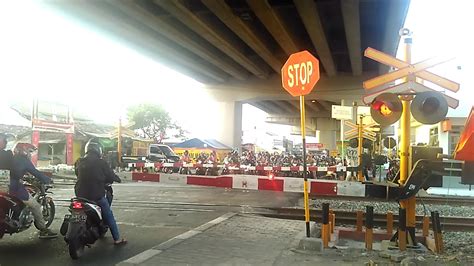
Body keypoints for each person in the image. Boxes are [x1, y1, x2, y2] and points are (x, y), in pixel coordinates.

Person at [74, 140, 126, 245]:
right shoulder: (101, 162)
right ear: (98, 150)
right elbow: (110, 175)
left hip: (80, 194)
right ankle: (117, 239)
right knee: (108, 214)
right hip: (96, 194)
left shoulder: (79, 161)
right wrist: (117, 179)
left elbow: (77, 174)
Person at [9, 142, 57, 239]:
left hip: (4, 187)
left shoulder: (10, 159)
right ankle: (43, 230)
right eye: (29, 151)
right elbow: (36, 172)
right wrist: (47, 180)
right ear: (24, 151)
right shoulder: (23, 160)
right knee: (35, 205)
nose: (30, 154)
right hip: (15, 188)